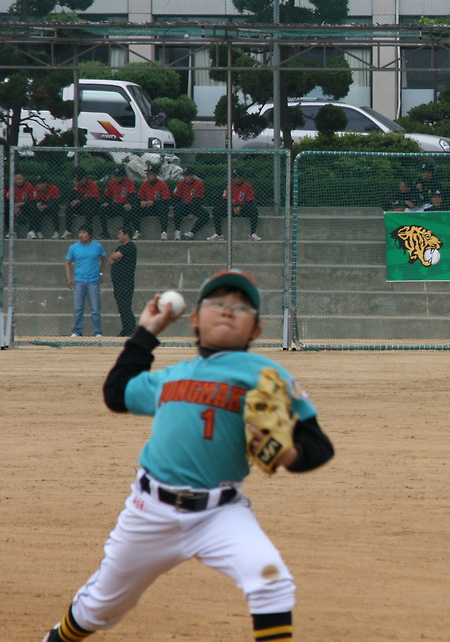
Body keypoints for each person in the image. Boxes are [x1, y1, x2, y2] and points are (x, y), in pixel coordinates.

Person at [40, 269, 334, 642]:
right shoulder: (172, 377)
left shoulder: (267, 374)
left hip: (220, 513)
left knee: (270, 579)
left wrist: (289, 454)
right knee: (99, 606)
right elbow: (117, 394)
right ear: (194, 319)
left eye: (241, 307)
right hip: (149, 511)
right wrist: (146, 331)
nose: (228, 310)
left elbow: (319, 446)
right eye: (218, 303)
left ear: (256, 330)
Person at [64, 224, 107, 338]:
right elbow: (68, 262)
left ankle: (97, 332)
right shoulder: (73, 247)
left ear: (90, 235)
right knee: (78, 308)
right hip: (79, 281)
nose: (81, 235)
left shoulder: (97, 247)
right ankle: (77, 331)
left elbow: (104, 259)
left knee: (95, 309)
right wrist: (69, 278)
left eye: (84, 233)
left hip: (93, 281)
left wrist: (101, 273)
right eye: (80, 233)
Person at [210, 169, 260, 241]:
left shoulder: (247, 186)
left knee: (254, 210)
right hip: (232, 208)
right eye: (233, 177)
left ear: (241, 178)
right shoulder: (230, 186)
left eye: (236, 177)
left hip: (243, 209)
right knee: (216, 210)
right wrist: (233, 207)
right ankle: (219, 234)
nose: (234, 179)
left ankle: (252, 234)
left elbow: (250, 201)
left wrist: (241, 207)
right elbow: (224, 200)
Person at [108, 227, 138, 337]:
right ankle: (126, 329)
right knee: (121, 307)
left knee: (125, 307)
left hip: (126, 282)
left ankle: (131, 330)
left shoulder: (130, 247)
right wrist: (114, 257)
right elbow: (111, 260)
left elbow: (116, 256)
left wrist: (115, 256)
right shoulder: (120, 247)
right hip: (118, 282)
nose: (118, 236)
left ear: (126, 235)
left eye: (120, 233)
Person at [100, 166, 138, 239]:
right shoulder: (111, 183)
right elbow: (106, 195)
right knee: (102, 209)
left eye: (118, 176)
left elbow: (132, 194)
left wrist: (129, 203)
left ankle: (125, 232)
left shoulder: (129, 182)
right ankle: (105, 232)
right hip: (114, 205)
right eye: (116, 176)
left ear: (123, 176)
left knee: (128, 210)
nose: (116, 178)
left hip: (124, 205)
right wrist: (107, 202)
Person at [63, 167, 102, 239]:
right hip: (82, 206)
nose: (79, 181)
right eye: (77, 180)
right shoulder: (78, 186)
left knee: (88, 208)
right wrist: (75, 188)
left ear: (84, 178)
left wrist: (80, 201)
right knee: (69, 207)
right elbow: (71, 199)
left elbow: (92, 200)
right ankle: (68, 231)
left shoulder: (92, 184)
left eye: (80, 179)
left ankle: (89, 231)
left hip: (93, 206)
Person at [172, 166, 210, 240]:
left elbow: (198, 200)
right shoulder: (181, 183)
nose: (185, 177)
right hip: (184, 206)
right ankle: (177, 231)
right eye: (184, 175)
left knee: (205, 214)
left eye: (187, 175)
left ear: (192, 176)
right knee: (177, 208)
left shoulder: (199, 183)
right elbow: (176, 198)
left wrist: (192, 212)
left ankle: (191, 233)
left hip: (194, 206)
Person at [136, 166, 173, 240]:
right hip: (148, 208)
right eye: (147, 174)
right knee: (135, 208)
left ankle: (164, 232)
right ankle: (137, 231)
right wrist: (142, 202)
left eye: (150, 174)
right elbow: (140, 198)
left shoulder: (162, 184)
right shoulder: (144, 184)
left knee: (163, 208)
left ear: (156, 175)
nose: (148, 176)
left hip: (158, 207)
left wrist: (154, 202)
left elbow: (166, 200)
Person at [29, 174, 62, 240]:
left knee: (54, 209)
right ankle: (37, 231)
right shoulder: (36, 190)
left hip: (50, 207)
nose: (38, 185)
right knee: (34, 209)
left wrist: (47, 206)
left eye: (40, 183)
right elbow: (35, 200)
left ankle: (56, 231)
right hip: (42, 208)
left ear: (45, 183)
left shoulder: (53, 188)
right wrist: (39, 205)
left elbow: (56, 200)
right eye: (37, 183)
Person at [10, 172, 33, 238]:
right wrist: (14, 206)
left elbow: (32, 200)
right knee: (7, 210)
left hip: (25, 205)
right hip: (15, 205)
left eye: (20, 178)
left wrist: (20, 205)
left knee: (32, 208)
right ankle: (12, 231)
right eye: (17, 179)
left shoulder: (29, 186)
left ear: (24, 179)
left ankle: (30, 231)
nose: (19, 181)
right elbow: (9, 199)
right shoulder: (12, 186)